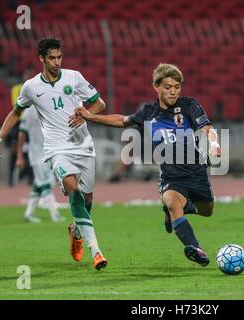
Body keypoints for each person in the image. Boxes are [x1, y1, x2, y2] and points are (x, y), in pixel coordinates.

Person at [70, 63, 222, 267]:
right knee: (171, 201)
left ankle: (180, 211)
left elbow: (207, 127)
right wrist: (91, 116)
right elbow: (122, 121)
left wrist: (214, 143)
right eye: (168, 87)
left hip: (196, 171)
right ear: (156, 87)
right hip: (171, 176)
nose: (173, 91)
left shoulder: (189, 106)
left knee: (207, 210)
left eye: (177, 87)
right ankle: (196, 248)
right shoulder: (148, 112)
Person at [0, 37, 108, 271]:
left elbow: (99, 103)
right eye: (52, 58)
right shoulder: (31, 87)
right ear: (41, 58)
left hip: (83, 146)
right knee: (73, 190)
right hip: (56, 149)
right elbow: (15, 113)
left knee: (87, 200)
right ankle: (96, 251)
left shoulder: (74, 77)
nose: (57, 62)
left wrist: (86, 113)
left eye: (59, 57)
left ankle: (75, 229)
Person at [16, 106, 66, 223]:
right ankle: (55, 214)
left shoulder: (30, 111)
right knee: (46, 183)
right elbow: (22, 134)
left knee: (39, 184)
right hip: (39, 154)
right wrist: (19, 155)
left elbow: (22, 133)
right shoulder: (40, 109)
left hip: (46, 152)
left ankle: (29, 213)